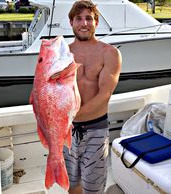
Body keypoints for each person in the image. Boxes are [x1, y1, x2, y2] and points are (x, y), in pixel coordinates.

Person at [63, 0, 122, 194]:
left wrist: (73, 116)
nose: (84, 23)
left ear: (96, 22)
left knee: (94, 187)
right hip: (66, 132)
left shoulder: (110, 53)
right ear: (71, 22)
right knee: (72, 184)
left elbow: (105, 94)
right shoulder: (63, 54)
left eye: (89, 18)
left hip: (96, 129)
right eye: (78, 18)